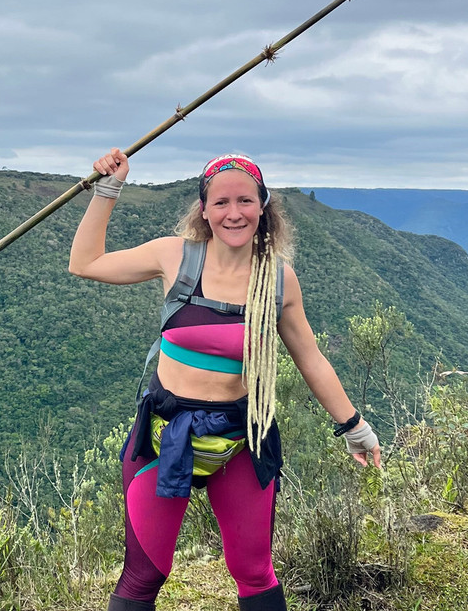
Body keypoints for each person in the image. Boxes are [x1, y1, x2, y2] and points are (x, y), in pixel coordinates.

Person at [68, 148, 381, 611]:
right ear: (203, 209)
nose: (234, 213)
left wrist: (354, 426)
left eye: (245, 201)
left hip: (241, 437)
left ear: (263, 206)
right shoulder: (175, 257)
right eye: (221, 202)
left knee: (254, 572)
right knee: (143, 575)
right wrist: (108, 189)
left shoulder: (277, 280)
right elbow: (85, 263)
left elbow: (311, 358)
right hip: (165, 435)